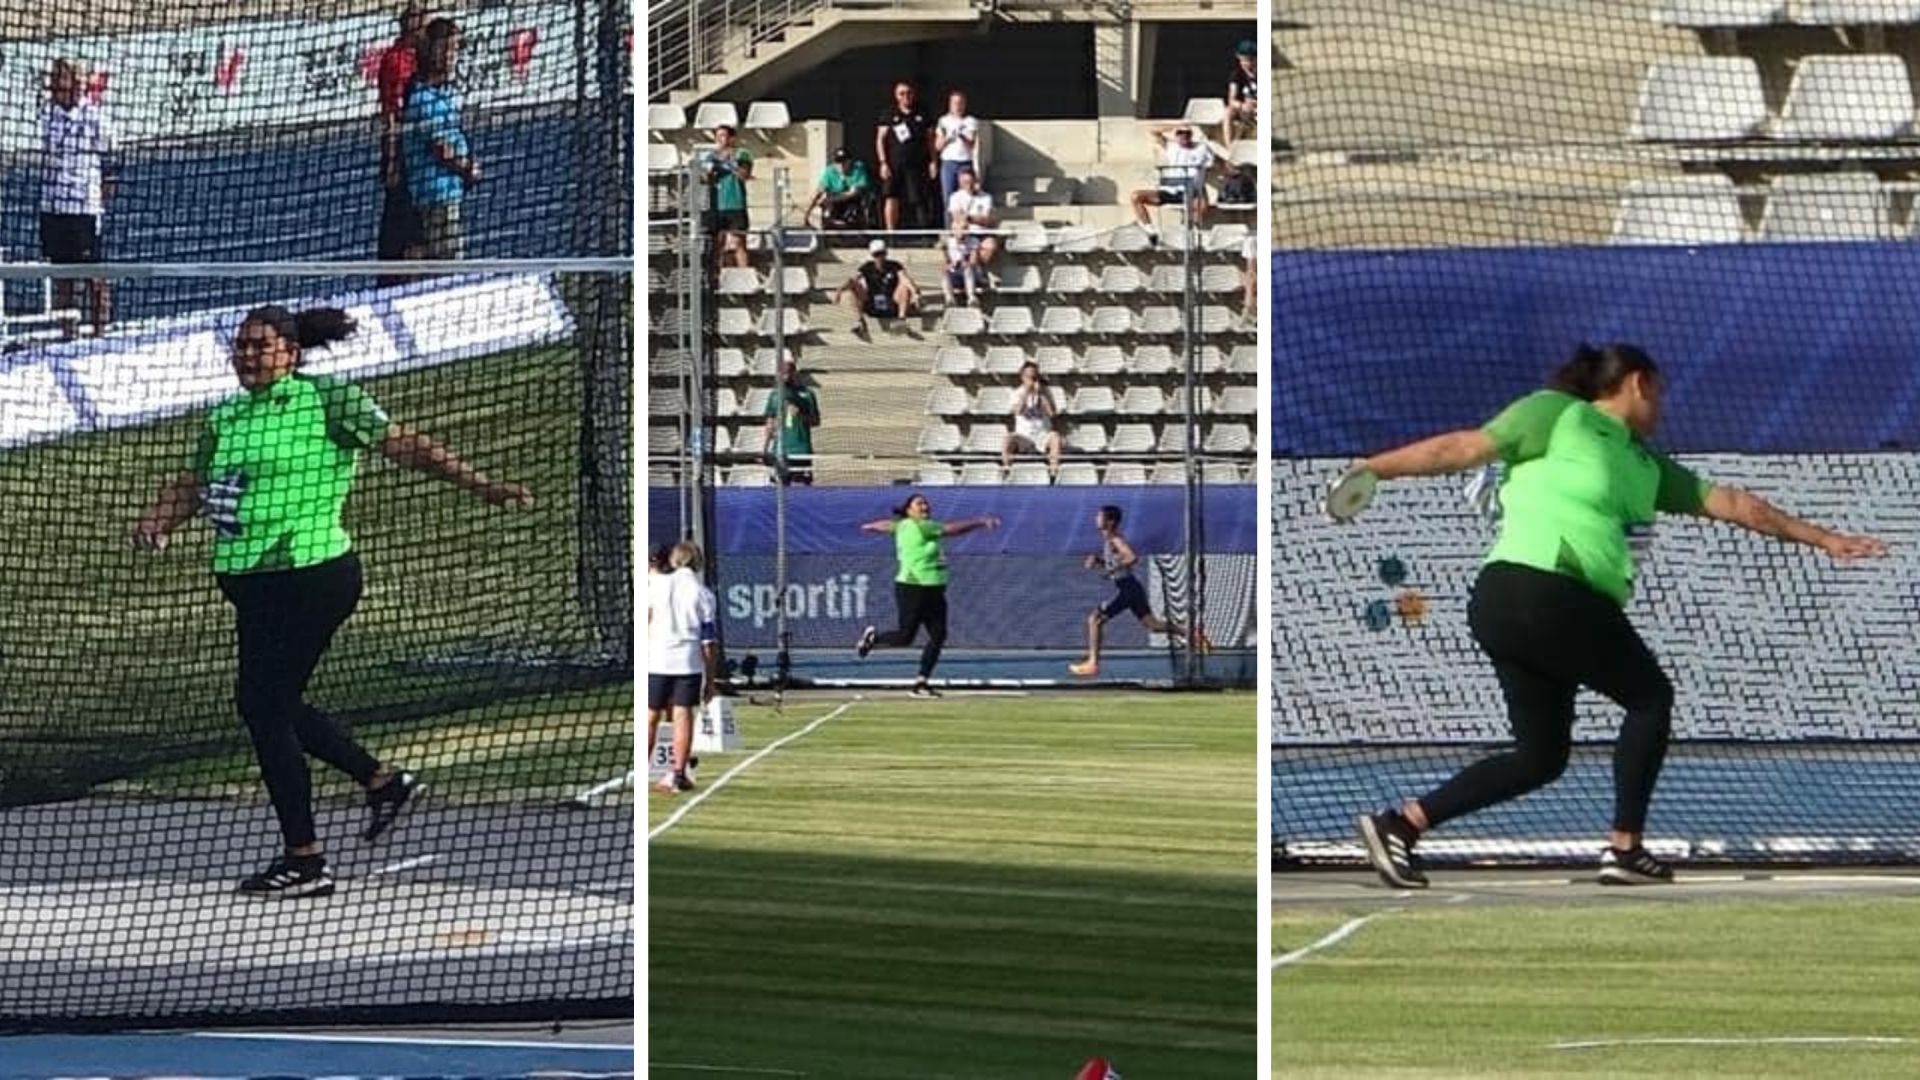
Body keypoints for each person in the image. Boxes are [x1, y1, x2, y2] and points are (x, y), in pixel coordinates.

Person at [1347, 343, 1886, 891]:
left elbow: (1738, 506)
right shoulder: (1555, 412)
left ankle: (1402, 824)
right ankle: (1626, 849)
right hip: (1540, 591)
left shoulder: (1646, 465)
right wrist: (1372, 470)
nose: (1663, 407)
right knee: (1650, 697)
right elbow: (1459, 448)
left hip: (1516, 605)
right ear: (1639, 383)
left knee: (1540, 759)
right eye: (1660, 393)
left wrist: (1825, 539)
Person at [130, 305, 534, 898]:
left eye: (259, 346)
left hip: (313, 573)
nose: (246, 355)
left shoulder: (327, 399)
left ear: (291, 353)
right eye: (240, 346)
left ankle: (306, 859)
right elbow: (196, 485)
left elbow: (408, 447)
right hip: (250, 582)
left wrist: (484, 487)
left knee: (263, 707)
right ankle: (381, 782)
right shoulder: (225, 416)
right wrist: (158, 523)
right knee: (274, 703)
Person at [854, 494, 1000, 698]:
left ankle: (921, 681)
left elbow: (888, 525)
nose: (925, 506)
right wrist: (980, 522)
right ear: (909, 510)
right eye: (919, 503)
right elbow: (951, 530)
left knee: (939, 635)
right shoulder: (923, 526)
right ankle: (874, 638)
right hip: (913, 588)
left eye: (926, 503)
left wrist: (871, 526)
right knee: (905, 637)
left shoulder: (903, 525)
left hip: (935, 590)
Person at [1070, 505, 1206, 677]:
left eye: (1099, 516)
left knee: (1095, 619)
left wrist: (1112, 570)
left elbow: (1131, 557)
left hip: (1127, 588)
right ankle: (1190, 633)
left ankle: (1093, 664)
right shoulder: (1109, 541)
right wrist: (1101, 561)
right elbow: (1118, 563)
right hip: (1132, 588)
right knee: (1153, 625)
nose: (1095, 518)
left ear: (1110, 522)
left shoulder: (1115, 540)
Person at [40, 58, 115, 338]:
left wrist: (101, 196)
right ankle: (68, 331)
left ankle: (100, 330)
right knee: (62, 273)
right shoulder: (46, 114)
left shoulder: (94, 116)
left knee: (93, 271)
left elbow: (111, 158)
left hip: (83, 204)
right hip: (53, 204)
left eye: (63, 78)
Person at [401, 17, 478, 262]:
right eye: (450, 49)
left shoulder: (444, 94)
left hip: (448, 191)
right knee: (447, 264)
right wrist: (466, 167)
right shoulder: (423, 99)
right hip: (436, 194)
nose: (453, 57)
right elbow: (439, 148)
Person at [648, 541, 717, 795]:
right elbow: (709, 642)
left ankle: (642, 768)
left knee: (651, 716)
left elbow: (647, 619)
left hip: (657, 657)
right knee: (682, 715)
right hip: (687, 659)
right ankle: (678, 773)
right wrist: (710, 681)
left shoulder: (658, 584)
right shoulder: (703, 593)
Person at [376, 5, 427, 285]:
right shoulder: (397, 61)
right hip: (405, 152)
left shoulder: (420, 59)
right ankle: (395, 277)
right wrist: (392, 157)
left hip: (420, 153)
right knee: (402, 218)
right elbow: (391, 112)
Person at [1128, 124, 1215, 236]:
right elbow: (1154, 131)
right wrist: (1175, 126)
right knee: (1136, 196)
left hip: (1192, 190)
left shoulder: (1202, 148)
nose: (1183, 136)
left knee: (1201, 205)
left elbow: (1216, 162)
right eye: (1180, 133)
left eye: (1186, 134)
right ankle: (1150, 230)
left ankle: (1190, 231)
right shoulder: (1172, 146)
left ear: (1191, 135)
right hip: (1171, 190)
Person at [875, 81, 936, 232]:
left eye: (908, 93)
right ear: (896, 96)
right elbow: (880, 139)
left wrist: (933, 161)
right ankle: (891, 234)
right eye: (901, 93)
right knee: (891, 197)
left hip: (917, 163)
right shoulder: (889, 113)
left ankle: (923, 233)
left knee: (919, 199)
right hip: (894, 163)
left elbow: (931, 139)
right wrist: (883, 162)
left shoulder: (922, 112)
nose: (905, 96)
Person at [834, 238, 920, 338]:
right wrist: (840, 290)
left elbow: (904, 278)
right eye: (876, 255)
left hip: (892, 303)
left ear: (886, 253)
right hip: (872, 303)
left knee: (904, 287)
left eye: (881, 254)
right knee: (850, 290)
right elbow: (852, 279)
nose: (880, 258)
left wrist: (915, 292)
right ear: (872, 255)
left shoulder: (895, 266)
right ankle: (860, 322)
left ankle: (901, 321)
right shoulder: (867, 267)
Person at [761, 359, 821, 485]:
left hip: (801, 449)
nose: (785, 376)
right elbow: (769, 423)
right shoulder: (774, 395)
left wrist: (801, 415)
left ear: (794, 373)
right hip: (781, 449)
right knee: (780, 488)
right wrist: (764, 449)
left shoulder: (807, 394)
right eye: (782, 373)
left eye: (788, 372)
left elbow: (815, 421)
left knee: (801, 488)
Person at [702, 124, 754, 269]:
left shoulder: (741, 154)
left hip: (735, 203)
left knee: (738, 242)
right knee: (717, 244)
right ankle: (717, 280)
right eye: (717, 136)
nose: (720, 139)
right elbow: (705, 179)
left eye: (723, 136)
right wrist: (710, 169)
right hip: (716, 205)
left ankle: (744, 278)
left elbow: (744, 175)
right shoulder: (710, 156)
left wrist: (729, 163)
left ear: (732, 138)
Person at [1000, 360, 1060, 474]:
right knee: (1007, 438)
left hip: (1043, 435)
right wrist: (1027, 392)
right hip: (1024, 436)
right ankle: (1007, 471)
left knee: (1055, 437)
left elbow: (1052, 413)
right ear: (1022, 377)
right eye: (1029, 377)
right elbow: (1018, 411)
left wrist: (1042, 394)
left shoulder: (1045, 392)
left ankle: (1053, 473)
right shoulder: (1017, 393)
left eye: (1034, 377)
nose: (1032, 380)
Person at [944, 165, 998, 272]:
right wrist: (973, 219)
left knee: (990, 245)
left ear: (975, 180)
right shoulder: (955, 197)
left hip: (981, 232)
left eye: (970, 182)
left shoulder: (986, 197)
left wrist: (969, 218)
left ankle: (974, 268)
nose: (968, 186)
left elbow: (986, 219)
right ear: (960, 182)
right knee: (960, 227)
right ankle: (967, 267)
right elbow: (957, 217)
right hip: (965, 232)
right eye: (965, 183)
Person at [934, 90, 980, 209]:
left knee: (966, 197)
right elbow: (938, 146)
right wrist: (948, 137)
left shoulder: (970, 121)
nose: (958, 106)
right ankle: (950, 226)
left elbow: (971, 144)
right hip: (949, 163)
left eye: (961, 103)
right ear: (950, 104)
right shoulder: (943, 121)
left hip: (965, 163)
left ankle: (966, 225)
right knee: (948, 199)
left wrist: (961, 135)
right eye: (955, 103)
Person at [807, 147, 872, 231]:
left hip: (853, 201)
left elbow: (854, 192)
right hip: (834, 200)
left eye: (844, 161)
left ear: (850, 161)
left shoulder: (858, 169)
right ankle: (826, 228)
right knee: (819, 210)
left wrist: (830, 200)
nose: (841, 164)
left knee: (856, 205)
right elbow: (819, 190)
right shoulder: (830, 171)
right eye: (838, 162)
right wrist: (809, 210)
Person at [941, 217, 983, 310]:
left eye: (963, 229)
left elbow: (973, 261)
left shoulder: (973, 241)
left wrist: (965, 263)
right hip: (956, 272)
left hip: (972, 273)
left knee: (968, 269)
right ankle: (949, 299)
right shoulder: (949, 242)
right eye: (957, 229)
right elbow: (945, 261)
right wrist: (949, 265)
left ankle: (971, 298)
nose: (960, 232)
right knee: (945, 272)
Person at [1225, 39, 1258, 143]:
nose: (1247, 63)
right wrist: (1242, 105)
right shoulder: (1236, 75)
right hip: (1244, 108)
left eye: (1250, 60)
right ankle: (1229, 146)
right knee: (1228, 112)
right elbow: (1232, 99)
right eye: (1243, 60)